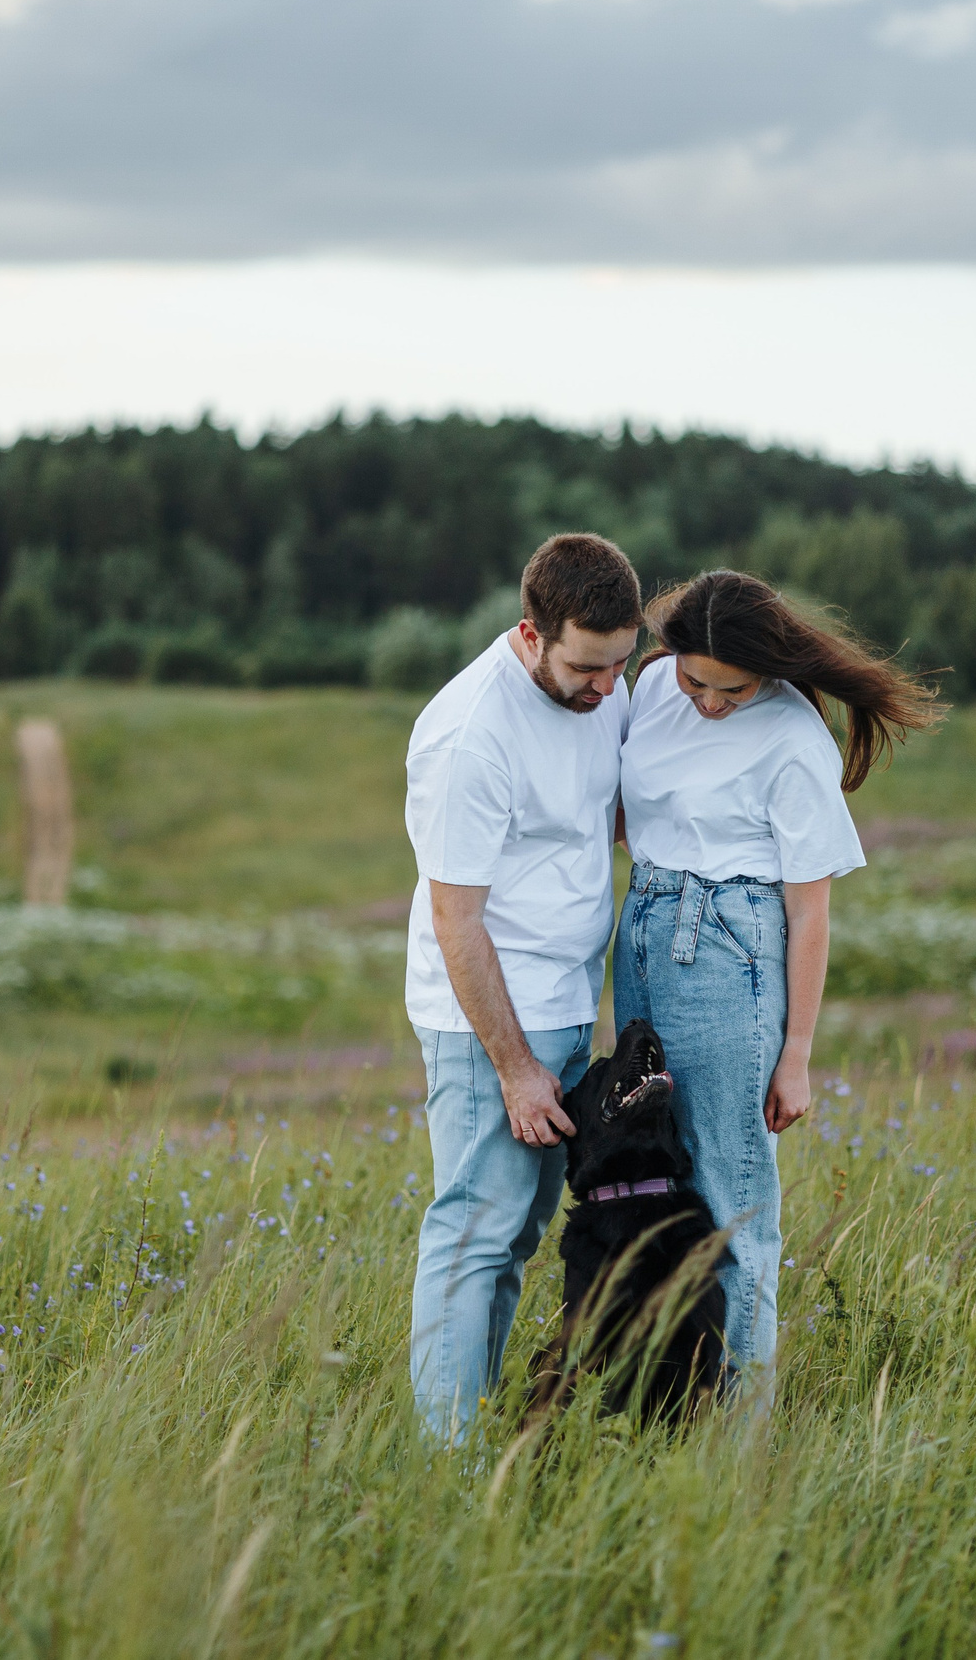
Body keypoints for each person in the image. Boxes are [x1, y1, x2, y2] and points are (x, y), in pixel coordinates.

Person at [614, 569, 939, 1382]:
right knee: (653, 1175)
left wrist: (796, 1053)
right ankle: (665, 1394)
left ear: (769, 670)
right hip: (645, 926)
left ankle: (738, 1435)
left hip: (732, 946)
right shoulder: (655, 686)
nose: (712, 702)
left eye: (736, 688)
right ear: (671, 653)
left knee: (730, 1196)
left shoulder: (796, 738)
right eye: (698, 679)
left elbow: (811, 912)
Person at [404, 532, 642, 1442]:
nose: (606, 688)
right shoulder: (473, 733)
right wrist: (513, 1068)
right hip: (488, 1026)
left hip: (564, 1008)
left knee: (515, 1235)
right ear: (531, 634)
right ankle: (447, 1461)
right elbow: (455, 919)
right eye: (588, 667)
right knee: (473, 1234)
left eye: (620, 665)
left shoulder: (595, 692)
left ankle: (480, 1421)